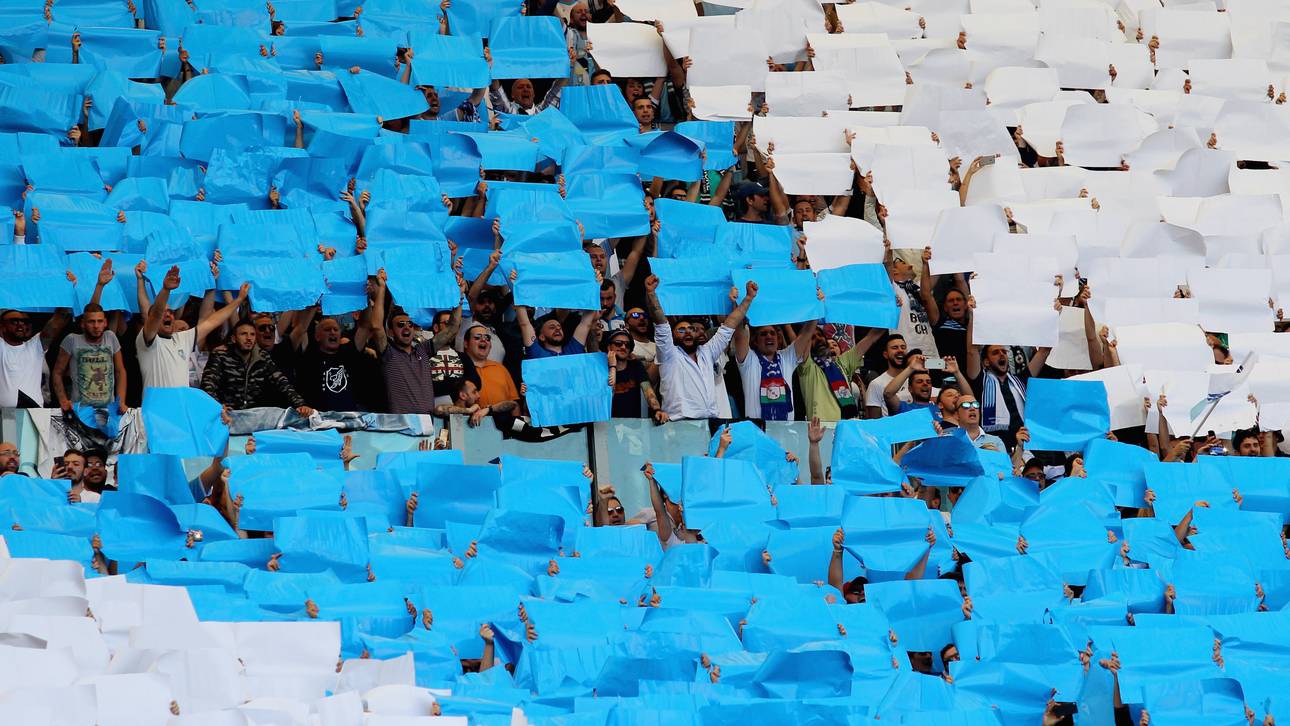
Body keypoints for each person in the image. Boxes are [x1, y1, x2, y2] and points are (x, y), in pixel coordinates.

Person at [644, 275, 755, 421]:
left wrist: (748, 298)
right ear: (673, 337)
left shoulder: (707, 352)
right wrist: (651, 294)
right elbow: (660, 320)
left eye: (691, 329)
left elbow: (730, 324)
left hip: (710, 423)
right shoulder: (668, 354)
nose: (688, 332)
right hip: (679, 424)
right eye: (681, 330)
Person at [137, 264, 249, 390]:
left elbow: (212, 321)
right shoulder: (147, 341)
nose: (168, 314)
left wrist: (238, 300)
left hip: (181, 409)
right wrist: (165, 290)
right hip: (155, 409)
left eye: (171, 312)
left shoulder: (183, 339)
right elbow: (156, 313)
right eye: (164, 312)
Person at [371, 270, 462, 414]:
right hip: (402, 426)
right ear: (390, 332)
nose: (406, 327)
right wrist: (382, 288)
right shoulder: (388, 353)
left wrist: (459, 298)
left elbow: (452, 328)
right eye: (400, 324)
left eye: (410, 324)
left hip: (428, 425)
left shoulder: (423, 350)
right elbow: (376, 326)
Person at [201, 320, 312, 414]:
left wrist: (300, 404)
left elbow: (282, 382)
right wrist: (217, 407)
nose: (249, 338)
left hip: (252, 415)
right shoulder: (221, 355)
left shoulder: (262, 356)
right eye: (243, 334)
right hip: (224, 414)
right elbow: (208, 385)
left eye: (252, 334)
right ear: (234, 338)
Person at [733, 318, 816, 421]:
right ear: (756, 341)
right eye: (763, 334)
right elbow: (740, 336)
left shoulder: (786, 358)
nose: (769, 336)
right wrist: (740, 311)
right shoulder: (749, 359)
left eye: (772, 333)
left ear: (778, 339)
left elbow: (806, 334)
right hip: (757, 430)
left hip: (785, 430)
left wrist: (816, 310)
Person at [52, 303, 127, 413]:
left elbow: (120, 371)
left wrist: (121, 401)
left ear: (105, 323)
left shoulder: (110, 337)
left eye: (100, 321)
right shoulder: (72, 340)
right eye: (91, 321)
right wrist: (63, 400)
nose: (96, 326)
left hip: (108, 410)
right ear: (83, 323)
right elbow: (57, 372)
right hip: (81, 410)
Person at [797, 327, 884, 421]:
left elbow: (871, 337)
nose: (818, 339)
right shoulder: (807, 367)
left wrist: (889, 316)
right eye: (812, 337)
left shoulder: (842, 363)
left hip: (847, 428)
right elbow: (803, 338)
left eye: (820, 335)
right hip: (821, 431)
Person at [0, 307, 69, 408]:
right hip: (5, 416)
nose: (20, 325)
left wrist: (62, 298)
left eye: (24, 321)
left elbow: (57, 322)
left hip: (34, 414)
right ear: (2, 326)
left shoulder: (35, 346)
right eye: (14, 321)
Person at [606, 329, 663, 421]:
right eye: (618, 343)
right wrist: (612, 366)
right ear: (609, 347)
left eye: (627, 345)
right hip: (608, 425)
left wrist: (657, 409)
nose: (623, 347)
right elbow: (607, 396)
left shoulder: (635, 365)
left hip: (633, 426)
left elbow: (648, 390)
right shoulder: (601, 367)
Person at [461, 323, 520, 408]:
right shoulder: (459, 368)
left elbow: (514, 403)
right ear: (466, 344)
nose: (483, 340)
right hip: (471, 420)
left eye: (487, 338)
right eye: (477, 337)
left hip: (504, 419)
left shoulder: (501, 368)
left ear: (491, 345)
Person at [516, 306, 595, 359]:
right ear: (541, 337)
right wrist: (516, 288)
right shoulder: (537, 352)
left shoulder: (574, 350)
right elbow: (524, 325)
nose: (557, 329)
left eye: (559, 327)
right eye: (552, 327)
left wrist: (595, 287)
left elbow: (586, 324)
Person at [864, 334, 911, 419]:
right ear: (885, 354)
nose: (900, 350)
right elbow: (874, 421)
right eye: (895, 347)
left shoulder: (916, 379)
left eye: (903, 347)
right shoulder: (876, 384)